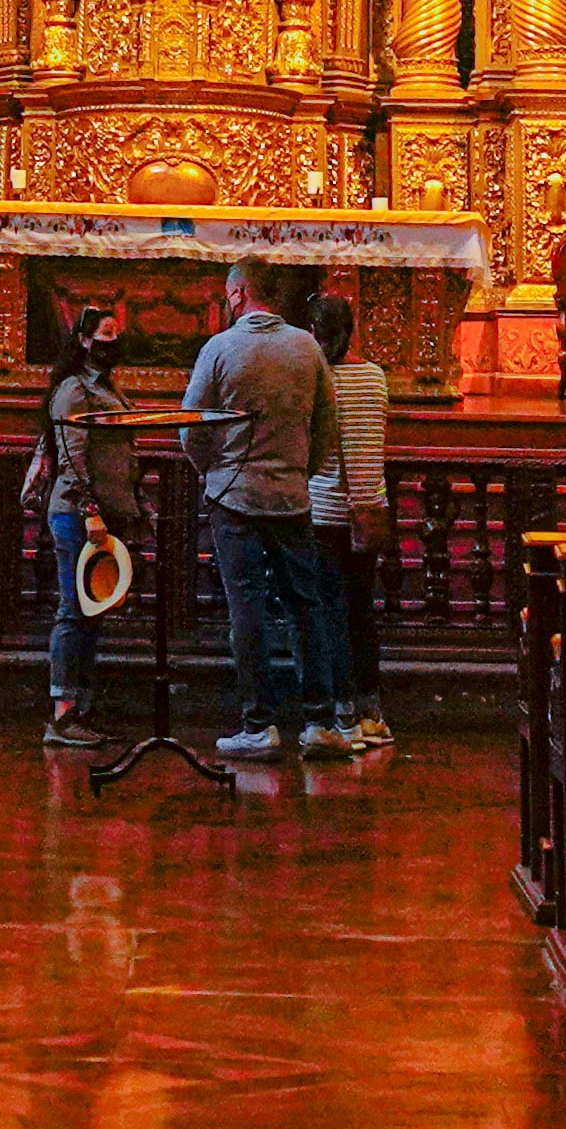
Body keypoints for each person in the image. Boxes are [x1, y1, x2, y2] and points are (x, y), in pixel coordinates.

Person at [176, 259, 331, 768]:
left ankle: (258, 725)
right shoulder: (306, 347)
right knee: (306, 606)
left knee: (247, 608)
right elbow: (327, 426)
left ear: (239, 292)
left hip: (235, 496)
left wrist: (214, 472)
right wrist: (298, 471)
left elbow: (191, 425)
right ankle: (320, 722)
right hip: (291, 496)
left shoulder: (220, 348)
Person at [29, 311, 136, 745]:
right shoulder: (75, 390)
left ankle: (82, 709)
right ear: (85, 341)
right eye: (106, 334)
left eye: (117, 333)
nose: (115, 340)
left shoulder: (108, 387)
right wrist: (90, 509)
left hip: (104, 512)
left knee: (93, 612)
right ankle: (63, 713)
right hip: (78, 515)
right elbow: (72, 457)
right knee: (75, 610)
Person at [298, 285, 394, 762]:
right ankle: (373, 711)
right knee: (361, 609)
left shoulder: (316, 376)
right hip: (368, 509)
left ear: (315, 331)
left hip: (324, 510)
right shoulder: (375, 377)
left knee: (328, 613)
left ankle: (342, 712)